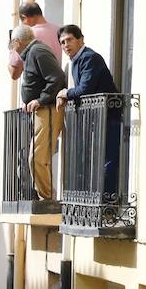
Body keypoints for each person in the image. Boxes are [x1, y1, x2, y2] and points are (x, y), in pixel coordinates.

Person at [56, 24, 121, 198]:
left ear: (80, 39)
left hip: (109, 115)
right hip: (96, 117)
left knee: (108, 160)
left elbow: (85, 88)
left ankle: (107, 205)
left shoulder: (89, 58)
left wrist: (65, 93)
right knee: (96, 161)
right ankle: (97, 199)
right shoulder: (76, 61)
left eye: (69, 40)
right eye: (62, 42)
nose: (65, 45)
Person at [12, 23, 68, 201]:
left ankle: (47, 199)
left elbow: (57, 77)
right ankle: (46, 197)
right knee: (38, 157)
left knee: (37, 158)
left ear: (17, 41)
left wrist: (40, 99)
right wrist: (28, 100)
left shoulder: (37, 51)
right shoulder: (33, 52)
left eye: (12, 43)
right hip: (42, 111)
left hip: (48, 110)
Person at [7, 1, 61, 82]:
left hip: (37, 87)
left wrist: (12, 49)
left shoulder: (26, 36)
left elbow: (14, 73)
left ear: (24, 17)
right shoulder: (59, 31)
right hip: (58, 84)